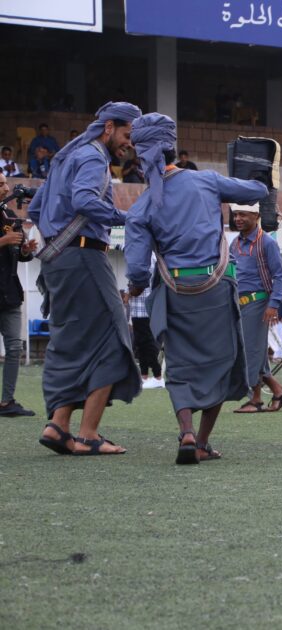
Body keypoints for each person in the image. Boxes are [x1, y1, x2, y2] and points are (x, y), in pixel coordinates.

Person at [124, 112, 269, 464]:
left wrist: (136, 287)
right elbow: (259, 192)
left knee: (180, 365)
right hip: (216, 287)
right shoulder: (206, 181)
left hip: (175, 293)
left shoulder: (140, 207)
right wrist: (253, 171)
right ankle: (202, 441)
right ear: (174, 149)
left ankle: (186, 431)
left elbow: (138, 272)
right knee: (222, 363)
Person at [28, 101, 144, 456]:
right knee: (115, 338)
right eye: (127, 135)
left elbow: (35, 209)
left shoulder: (68, 155)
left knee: (75, 341)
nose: (129, 144)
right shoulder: (93, 157)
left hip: (58, 260)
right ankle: (89, 434)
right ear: (108, 127)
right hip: (83, 256)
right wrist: (129, 218)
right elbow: (84, 200)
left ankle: (58, 425)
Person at [230, 202, 282, 414]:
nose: (238, 218)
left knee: (250, 352)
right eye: (235, 214)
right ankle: (279, 392)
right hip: (239, 305)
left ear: (255, 215)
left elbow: (279, 276)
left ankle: (256, 398)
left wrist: (273, 305)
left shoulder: (266, 242)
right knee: (252, 351)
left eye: (243, 215)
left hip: (258, 304)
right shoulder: (234, 244)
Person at [0, 171, 37, 416]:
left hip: (9, 292)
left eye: (5, 183)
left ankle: (6, 402)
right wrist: (3, 241)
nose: (6, 188)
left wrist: (25, 250)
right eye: (1, 184)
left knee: (14, 347)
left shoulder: (10, 215)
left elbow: (18, 256)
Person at [128, 257, 163, 390]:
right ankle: (144, 377)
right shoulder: (146, 256)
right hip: (138, 307)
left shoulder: (147, 258)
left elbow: (140, 283)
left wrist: (129, 293)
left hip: (143, 307)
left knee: (147, 343)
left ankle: (158, 376)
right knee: (141, 343)